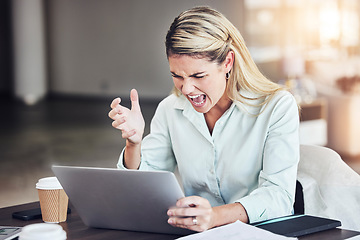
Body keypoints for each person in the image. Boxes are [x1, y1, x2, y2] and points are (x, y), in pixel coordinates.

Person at [108, 6, 299, 232]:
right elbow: (143, 188)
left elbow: (280, 196)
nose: (186, 88)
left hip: (258, 232)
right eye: (177, 76)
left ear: (228, 62)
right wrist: (134, 143)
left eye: (198, 75)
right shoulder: (170, 109)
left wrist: (214, 216)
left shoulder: (277, 107)